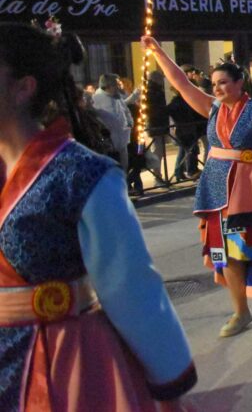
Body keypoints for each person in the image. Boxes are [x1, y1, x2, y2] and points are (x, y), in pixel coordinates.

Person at [0, 23, 196, 409]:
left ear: (23, 87)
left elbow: (133, 289)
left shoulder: (82, 173)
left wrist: (169, 387)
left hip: (61, 363)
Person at [140, 37, 252, 344]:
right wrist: (158, 52)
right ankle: (241, 312)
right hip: (216, 193)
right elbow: (182, 84)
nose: (217, 88)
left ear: (240, 83)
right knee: (229, 257)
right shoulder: (212, 110)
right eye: (214, 84)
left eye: (223, 82)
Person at [92, 72, 133, 168]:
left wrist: (130, 122)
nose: (118, 88)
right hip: (109, 144)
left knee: (124, 166)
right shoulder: (96, 99)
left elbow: (126, 111)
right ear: (108, 86)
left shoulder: (117, 98)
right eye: (116, 85)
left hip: (122, 139)